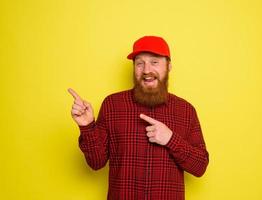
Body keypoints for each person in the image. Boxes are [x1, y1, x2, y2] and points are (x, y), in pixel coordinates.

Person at [68, 36, 209, 200]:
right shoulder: (113, 104)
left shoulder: (186, 110)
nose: (146, 70)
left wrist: (170, 139)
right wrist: (87, 127)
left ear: (169, 66)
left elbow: (200, 167)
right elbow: (96, 163)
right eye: (140, 63)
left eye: (154, 62)